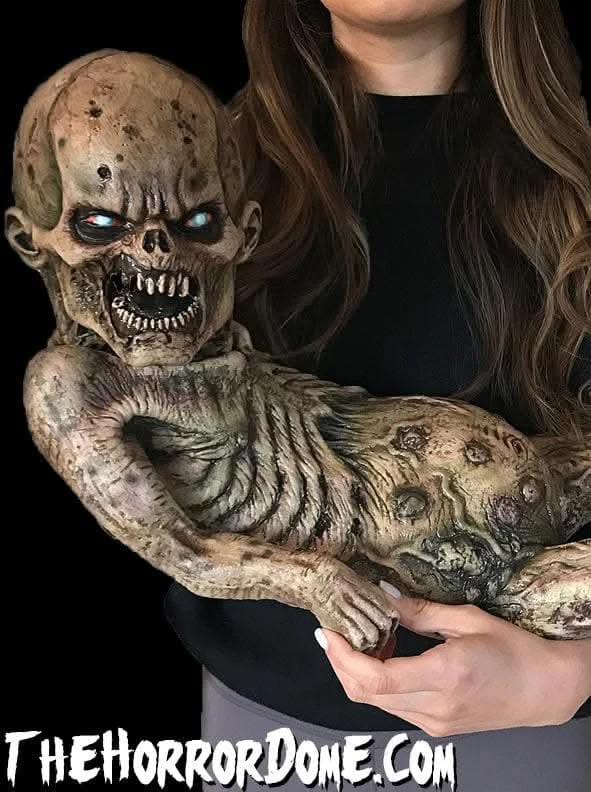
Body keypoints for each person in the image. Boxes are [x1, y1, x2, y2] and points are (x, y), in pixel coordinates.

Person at [164, 1, 591, 788]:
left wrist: (571, 676)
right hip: (261, 736)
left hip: (528, 740)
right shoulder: (192, 179)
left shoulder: (576, 176)